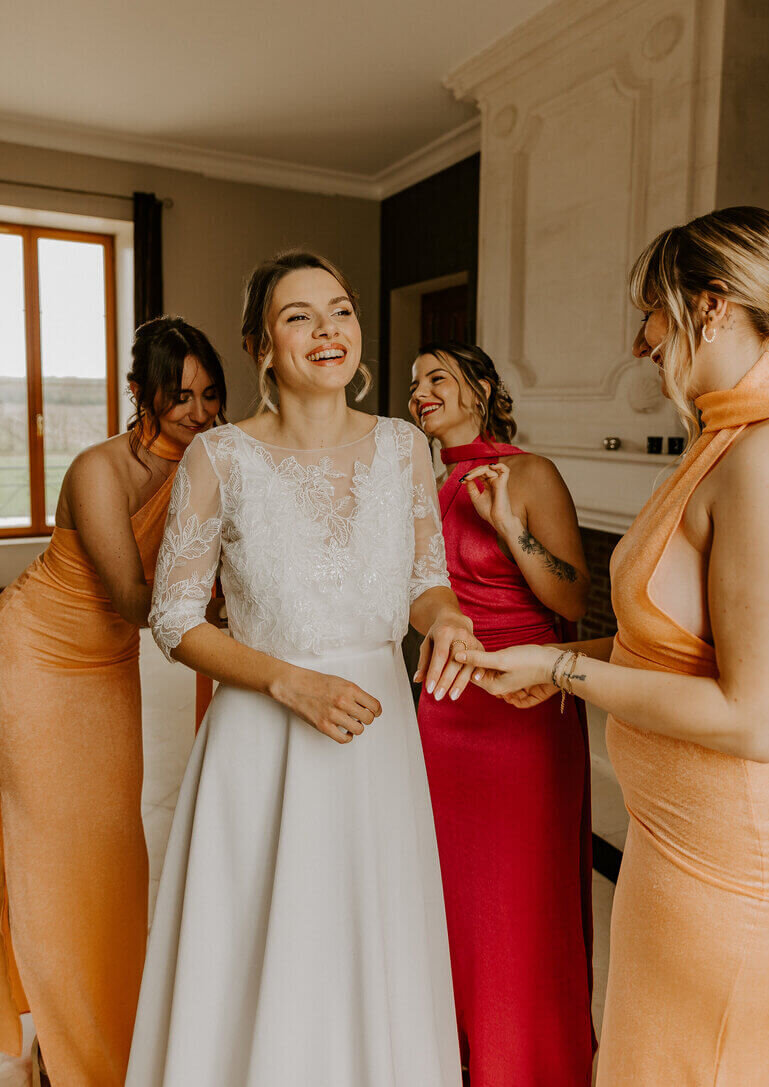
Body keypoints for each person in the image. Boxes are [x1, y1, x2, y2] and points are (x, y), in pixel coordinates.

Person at [454, 207, 769, 1086]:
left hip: (727, 868)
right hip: (667, 848)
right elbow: (669, 646)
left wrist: (562, 665)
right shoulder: (718, 441)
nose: (641, 338)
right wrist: (563, 661)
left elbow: (758, 718)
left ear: (711, 306)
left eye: (652, 310)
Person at [125, 250, 480, 1087]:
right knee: (260, 945)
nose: (329, 329)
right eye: (299, 315)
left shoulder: (403, 449)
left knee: (367, 936)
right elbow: (174, 619)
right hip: (263, 733)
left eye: (342, 310)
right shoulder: (220, 458)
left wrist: (448, 617)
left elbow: (425, 580)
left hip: (375, 735)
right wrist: (289, 680)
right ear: (261, 346)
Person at [0, 317, 226, 1087]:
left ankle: (96, 1037)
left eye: (209, 395)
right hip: (37, 659)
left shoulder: (208, 465)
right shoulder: (101, 468)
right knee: (55, 856)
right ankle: (63, 1057)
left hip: (108, 670)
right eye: (178, 396)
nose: (197, 411)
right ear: (139, 394)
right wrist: (216, 617)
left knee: (113, 855)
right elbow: (135, 598)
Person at [408, 342, 595, 1086]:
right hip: (443, 711)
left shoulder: (528, 471)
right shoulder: (418, 483)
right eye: (415, 382)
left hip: (522, 711)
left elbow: (572, 599)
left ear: (481, 386)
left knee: (518, 899)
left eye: (438, 376)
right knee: (449, 894)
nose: (421, 391)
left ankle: (525, 1064)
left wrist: (507, 522)